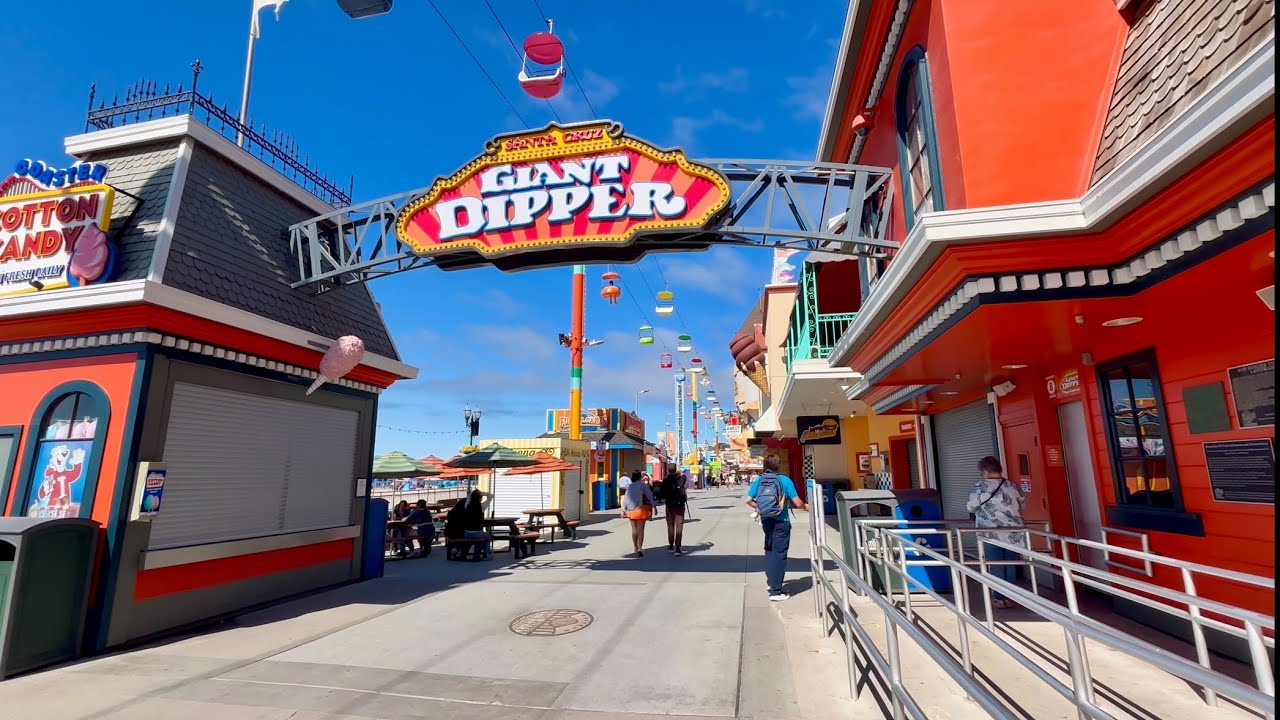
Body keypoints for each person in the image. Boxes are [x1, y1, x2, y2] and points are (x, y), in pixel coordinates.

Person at [966, 456, 1026, 609]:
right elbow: (1022, 505)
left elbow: (971, 507)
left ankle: (999, 598)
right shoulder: (1013, 486)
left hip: (990, 532)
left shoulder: (981, 487)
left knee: (995, 563)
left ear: (985, 472)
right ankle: (1010, 596)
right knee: (1010, 563)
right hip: (1014, 531)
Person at [746, 453, 806, 602]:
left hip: (767, 521)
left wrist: (760, 508)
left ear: (765, 466)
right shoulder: (784, 480)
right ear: (778, 465)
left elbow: (748, 500)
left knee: (770, 551)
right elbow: (798, 503)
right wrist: (808, 507)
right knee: (780, 554)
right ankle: (776, 591)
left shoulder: (759, 481)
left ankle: (771, 582)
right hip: (781, 521)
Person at [620, 470, 656, 557]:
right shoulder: (643, 485)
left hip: (631, 511)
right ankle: (640, 547)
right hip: (641, 510)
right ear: (640, 477)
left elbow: (626, 498)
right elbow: (649, 495)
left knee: (634, 529)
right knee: (641, 530)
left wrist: (623, 509)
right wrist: (654, 506)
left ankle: (635, 547)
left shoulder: (629, 486)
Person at [658, 470, 688, 555]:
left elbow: (661, 493)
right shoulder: (680, 479)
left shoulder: (665, 480)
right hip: (679, 505)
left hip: (669, 505)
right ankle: (678, 548)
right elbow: (684, 477)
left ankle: (671, 545)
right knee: (679, 526)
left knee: (670, 526)